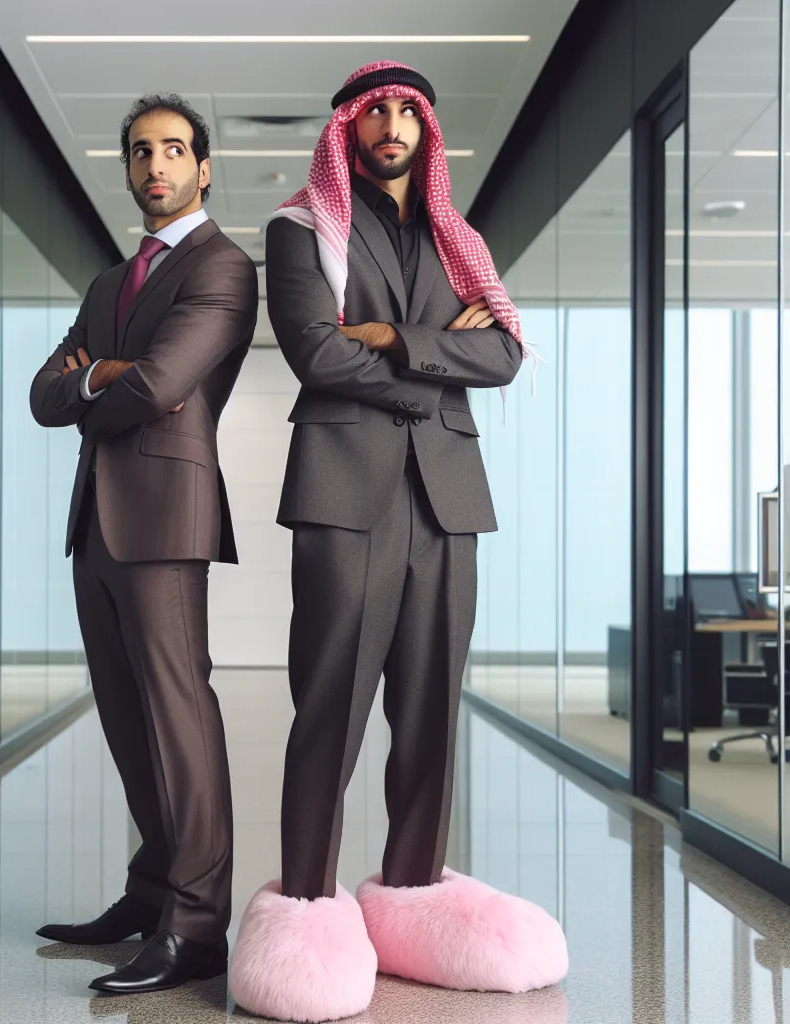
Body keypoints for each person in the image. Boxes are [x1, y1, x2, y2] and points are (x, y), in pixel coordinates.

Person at [228, 61, 568, 1023]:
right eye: (373, 108)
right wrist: (427, 356)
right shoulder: (303, 228)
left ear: (427, 128)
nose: (389, 122)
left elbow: (503, 351)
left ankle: (416, 896)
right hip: (345, 488)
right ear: (348, 128)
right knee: (329, 703)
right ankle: (303, 907)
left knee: (429, 710)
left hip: (447, 495)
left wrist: (391, 335)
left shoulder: (462, 239)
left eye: (405, 110)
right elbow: (314, 350)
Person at [30, 93, 257, 996]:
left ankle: (197, 928)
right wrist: (97, 375)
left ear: (203, 168)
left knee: (177, 717)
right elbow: (44, 398)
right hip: (96, 519)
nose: (153, 166)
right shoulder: (104, 284)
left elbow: (162, 382)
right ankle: (153, 890)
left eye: (171, 150)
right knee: (128, 722)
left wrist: (95, 377)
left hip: (164, 516)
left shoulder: (224, 267)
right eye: (138, 153)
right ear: (126, 170)